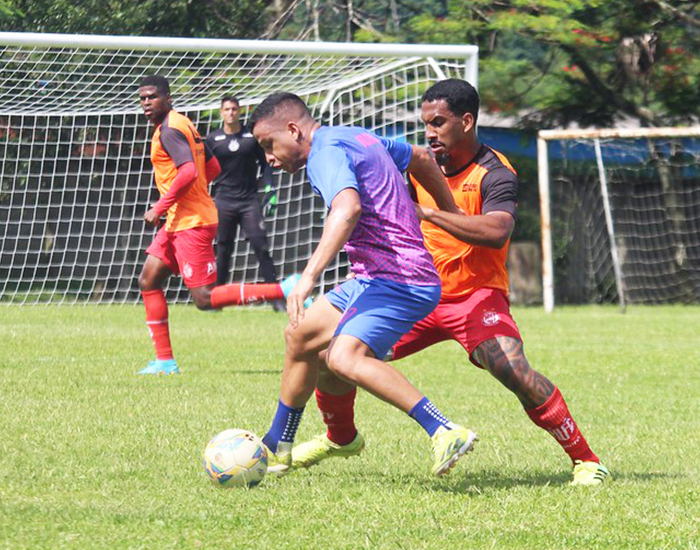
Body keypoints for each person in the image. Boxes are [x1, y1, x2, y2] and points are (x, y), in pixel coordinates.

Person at [291, 79, 611, 486]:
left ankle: (586, 460)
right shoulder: (415, 166)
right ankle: (341, 438)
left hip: (476, 296)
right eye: (426, 123)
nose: (429, 132)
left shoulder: (495, 172)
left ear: (466, 121)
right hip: (413, 290)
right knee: (327, 354)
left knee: (511, 368)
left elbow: (496, 231)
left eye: (438, 122)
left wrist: (431, 214)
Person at [249, 92, 477, 478]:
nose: (269, 157)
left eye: (268, 144)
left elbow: (347, 208)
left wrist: (308, 277)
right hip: (373, 276)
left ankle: (444, 429)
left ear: (292, 130)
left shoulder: (323, 154)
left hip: (401, 279)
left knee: (342, 357)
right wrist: (451, 210)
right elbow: (421, 158)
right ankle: (277, 446)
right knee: (301, 336)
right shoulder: (353, 136)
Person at [136, 76, 302, 375]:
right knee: (149, 280)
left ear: (167, 98)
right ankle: (165, 361)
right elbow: (211, 167)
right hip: (179, 219)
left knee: (204, 299)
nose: (147, 103)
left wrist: (159, 206)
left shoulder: (170, 131)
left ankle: (284, 289)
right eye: (143, 98)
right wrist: (194, 194)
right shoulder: (183, 123)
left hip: (190, 222)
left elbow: (188, 171)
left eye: (153, 97)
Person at [205, 96, 284, 311]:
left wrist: (270, 188)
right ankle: (217, 301)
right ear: (221, 113)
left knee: (261, 247)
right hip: (223, 201)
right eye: (227, 109)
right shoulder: (212, 140)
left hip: (249, 201)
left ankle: (277, 299)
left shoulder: (250, 137)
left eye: (234, 109)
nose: (231, 113)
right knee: (222, 250)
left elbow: (266, 164)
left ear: (240, 111)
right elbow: (204, 169)